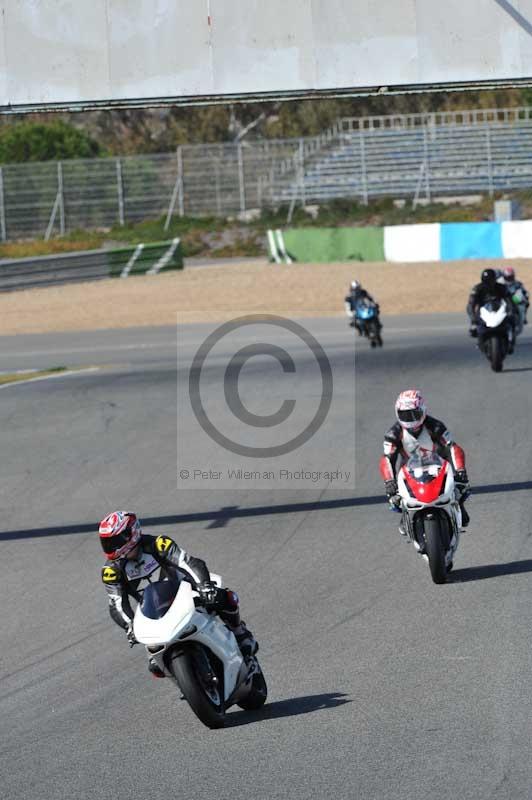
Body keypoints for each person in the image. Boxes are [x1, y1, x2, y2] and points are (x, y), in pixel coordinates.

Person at [99, 510, 258, 678]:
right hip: (153, 612)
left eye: (115, 541)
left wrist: (204, 586)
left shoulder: (158, 544)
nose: (111, 547)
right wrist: (130, 625)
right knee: (155, 667)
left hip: (184, 591)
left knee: (223, 597)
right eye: (107, 543)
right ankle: (188, 680)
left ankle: (240, 633)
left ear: (131, 532)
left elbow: (188, 563)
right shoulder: (111, 571)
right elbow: (116, 603)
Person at [379, 389, 470, 531]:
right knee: (395, 498)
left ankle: (458, 505)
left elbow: (452, 447)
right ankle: (406, 514)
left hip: (438, 465)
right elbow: (387, 459)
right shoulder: (393, 434)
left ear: (423, 410)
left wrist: (460, 470)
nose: (410, 419)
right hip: (410, 469)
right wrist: (389, 482)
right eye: (405, 415)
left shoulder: (436, 426)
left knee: (462, 487)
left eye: (414, 414)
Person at [467, 268, 516, 351]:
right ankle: (479, 339)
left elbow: (509, 300)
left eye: (490, 280)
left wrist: (511, 310)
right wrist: (473, 318)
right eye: (486, 281)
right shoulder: (477, 288)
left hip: (499, 309)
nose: (489, 283)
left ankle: (511, 341)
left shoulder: (501, 287)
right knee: (474, 328)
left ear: (494, 279)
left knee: (512, 321)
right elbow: (471, 304)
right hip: (483, 311)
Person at [498, 266, 529, 335]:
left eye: (511, 277)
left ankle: (523, 318)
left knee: (524, 304)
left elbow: (524, 292)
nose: (509, 279)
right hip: (501, 301)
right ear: (504, 276)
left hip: (513, 301)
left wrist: (524, 296)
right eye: (508, 277)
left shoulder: (517, 283)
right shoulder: (499, 282)